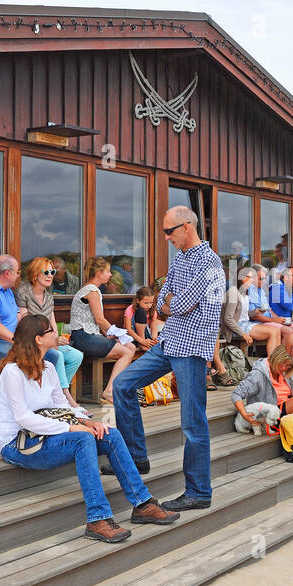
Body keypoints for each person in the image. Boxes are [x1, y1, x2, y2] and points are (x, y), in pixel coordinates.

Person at [0, 314, 179, 543]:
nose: (56, 333)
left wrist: (88, 422)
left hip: (45, 435)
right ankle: (97, 519)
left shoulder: (49, 367)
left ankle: (142, 504)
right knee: (83, 440)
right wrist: (73, 431)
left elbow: (61, 407)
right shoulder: (12, 372)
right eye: (51, 331)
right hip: (18, 443)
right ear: (38, 339)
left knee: (110, 434)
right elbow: (23, 418)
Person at [112, 206, 224, 511]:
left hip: (192, 348)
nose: (166, 237)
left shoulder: (209, 262)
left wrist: (171, 303)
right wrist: (169, 303)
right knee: (122, 385)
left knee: (192, 421)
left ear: (187, 226)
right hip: (171, 340)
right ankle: (136, 456)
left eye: (169, 231)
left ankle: (199, 492)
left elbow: (182, 302)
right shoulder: (180, 259)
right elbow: (162, 302)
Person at [69, 257, 137, 405]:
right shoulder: (92, 290)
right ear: (99, 273)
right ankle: (109, 391)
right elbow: (100, 319)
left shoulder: (91, 289)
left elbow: (96, 321)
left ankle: (113, 389)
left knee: (130, 347)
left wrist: (110, 335)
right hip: (83, 337)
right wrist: (117, 333)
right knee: (127, 351)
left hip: (88, 335)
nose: (110, 275)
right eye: (107, 271)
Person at [17, 256, 85, 405]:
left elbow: (52, 320)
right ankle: (65, 397)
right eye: (46, 272)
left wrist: (56, 337)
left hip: (48, 339)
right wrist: (52, 341)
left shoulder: (49, 296)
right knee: (58, 356)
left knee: (76, 356)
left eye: (52, 272)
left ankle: (54, 392)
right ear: (35, 274)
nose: (51, 276)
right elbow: (23, 323)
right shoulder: (23, 292)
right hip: (32, 341)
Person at [231, 344, 293, 433]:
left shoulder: (286, 371)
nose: (284, 368)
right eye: (283, 364)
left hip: (288, 408)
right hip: (271, 416)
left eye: (288, 366)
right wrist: (244, 414)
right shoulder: (258, 374)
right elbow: (236, 394)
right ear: (275, 359)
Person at [222, 268, 286, 362]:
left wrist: (255, 311)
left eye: (252, 277)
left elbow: (242, 313)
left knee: (276, 330)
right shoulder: (233, 292)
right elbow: (228, 318)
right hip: (236, 328)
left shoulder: (244, 291)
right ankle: (270, 364)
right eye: (248, 277)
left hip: (245, 324)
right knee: (272, 332)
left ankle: (277, 361)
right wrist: (243, 334)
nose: (251, 280)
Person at [123, 285, 161, 351]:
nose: (149, 305)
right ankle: (141, 344)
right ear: (138, 300)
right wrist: (142, 341)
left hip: (146, 334)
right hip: (132, 336)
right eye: (146, 303)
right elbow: (128, 329)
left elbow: (153, 327)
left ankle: (144, 343)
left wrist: (154, 339)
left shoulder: (152, 310)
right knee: (141, 312)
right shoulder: (130, 309)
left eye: (151, 303)